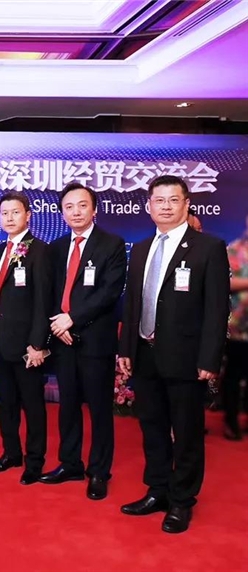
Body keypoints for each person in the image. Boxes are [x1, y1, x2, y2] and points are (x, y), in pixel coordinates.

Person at [118, 175, 229, 534]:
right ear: (149, 205)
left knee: (186, 432)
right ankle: (158, 491)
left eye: (173, 200)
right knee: (151, 427)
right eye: (159, 200)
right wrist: (126, 349)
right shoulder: (141, 248)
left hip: (186, 358)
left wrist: (209, 359)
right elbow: (132, 304)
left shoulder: (208, 247)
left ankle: (182, 500)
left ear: (186, 204)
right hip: (145, 353)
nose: (165, 206)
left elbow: (217, 309)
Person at [40, 182, 126, 501]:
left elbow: (109, 292)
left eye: (82, 205)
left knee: (99, 408)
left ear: (94, 209)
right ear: (62, 213)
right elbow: (49, 291)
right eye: (69, 207)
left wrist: (72, 318)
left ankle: (99, 471)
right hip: (62, 339)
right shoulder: (56, 247)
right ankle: (70, 463)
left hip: (94, 340)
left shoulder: (111, 244)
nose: (75, 212)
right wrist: (57, 323)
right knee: (68, 405)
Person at [0, 193, 50, 485]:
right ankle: (11, 453)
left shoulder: (40, 251)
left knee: (33, 405)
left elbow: (43, 302)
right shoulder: (0, 249)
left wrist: (37, 344)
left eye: (15, 212)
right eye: (4, 213)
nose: (9, 218)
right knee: (6, 402)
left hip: (27, 346)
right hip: (2, 340)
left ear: (28, 215)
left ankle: (34, 461)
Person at [223, 213, 248, 440]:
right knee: (233, 374)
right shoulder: (234, 250)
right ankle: (230, 421)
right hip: (237, 327)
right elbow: (225, 281)